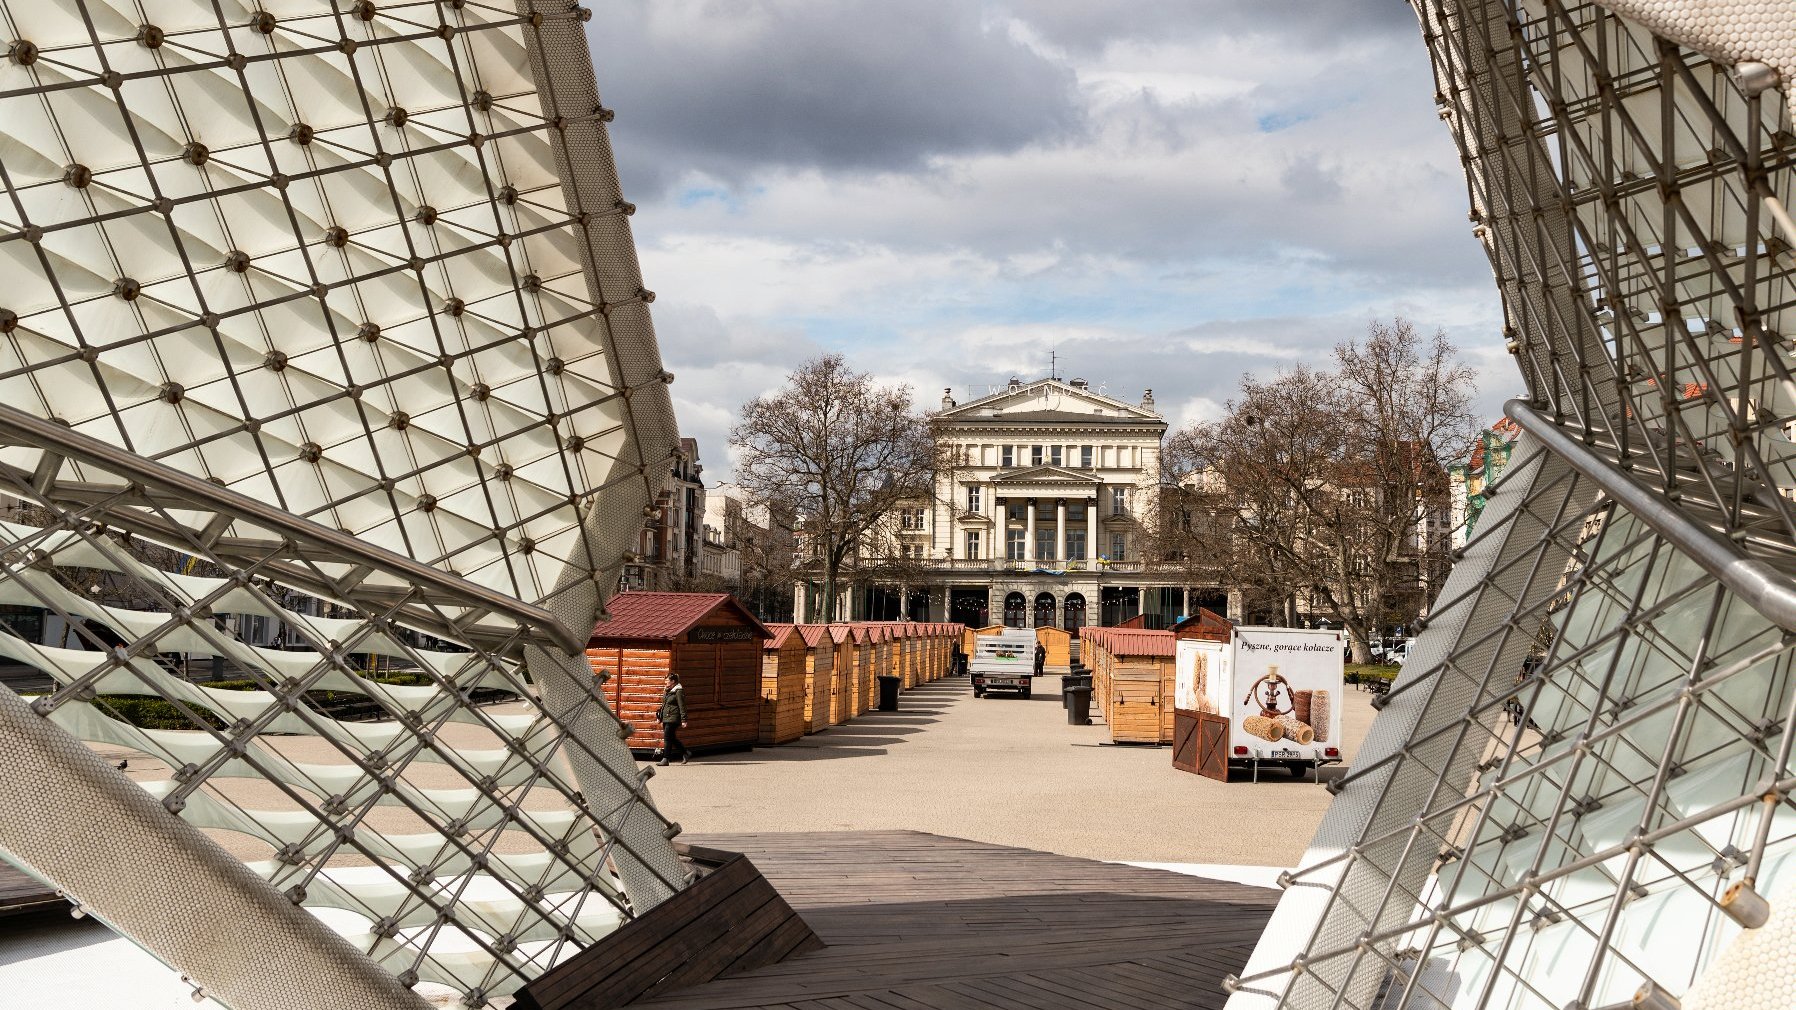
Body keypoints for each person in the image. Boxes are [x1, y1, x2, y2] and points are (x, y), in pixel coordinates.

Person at [657, 672, 689, 766]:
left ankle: (666, 758)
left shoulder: (678, 691)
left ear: (673, 681)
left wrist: (684, 720)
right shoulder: (667, 690)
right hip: (666, 717)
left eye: (667, 680)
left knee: (667, 737)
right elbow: (664, 705)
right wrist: (660, 717)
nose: (665, 682)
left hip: (674, 717)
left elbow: (682, 706)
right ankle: (685, 752)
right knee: (671, 738)